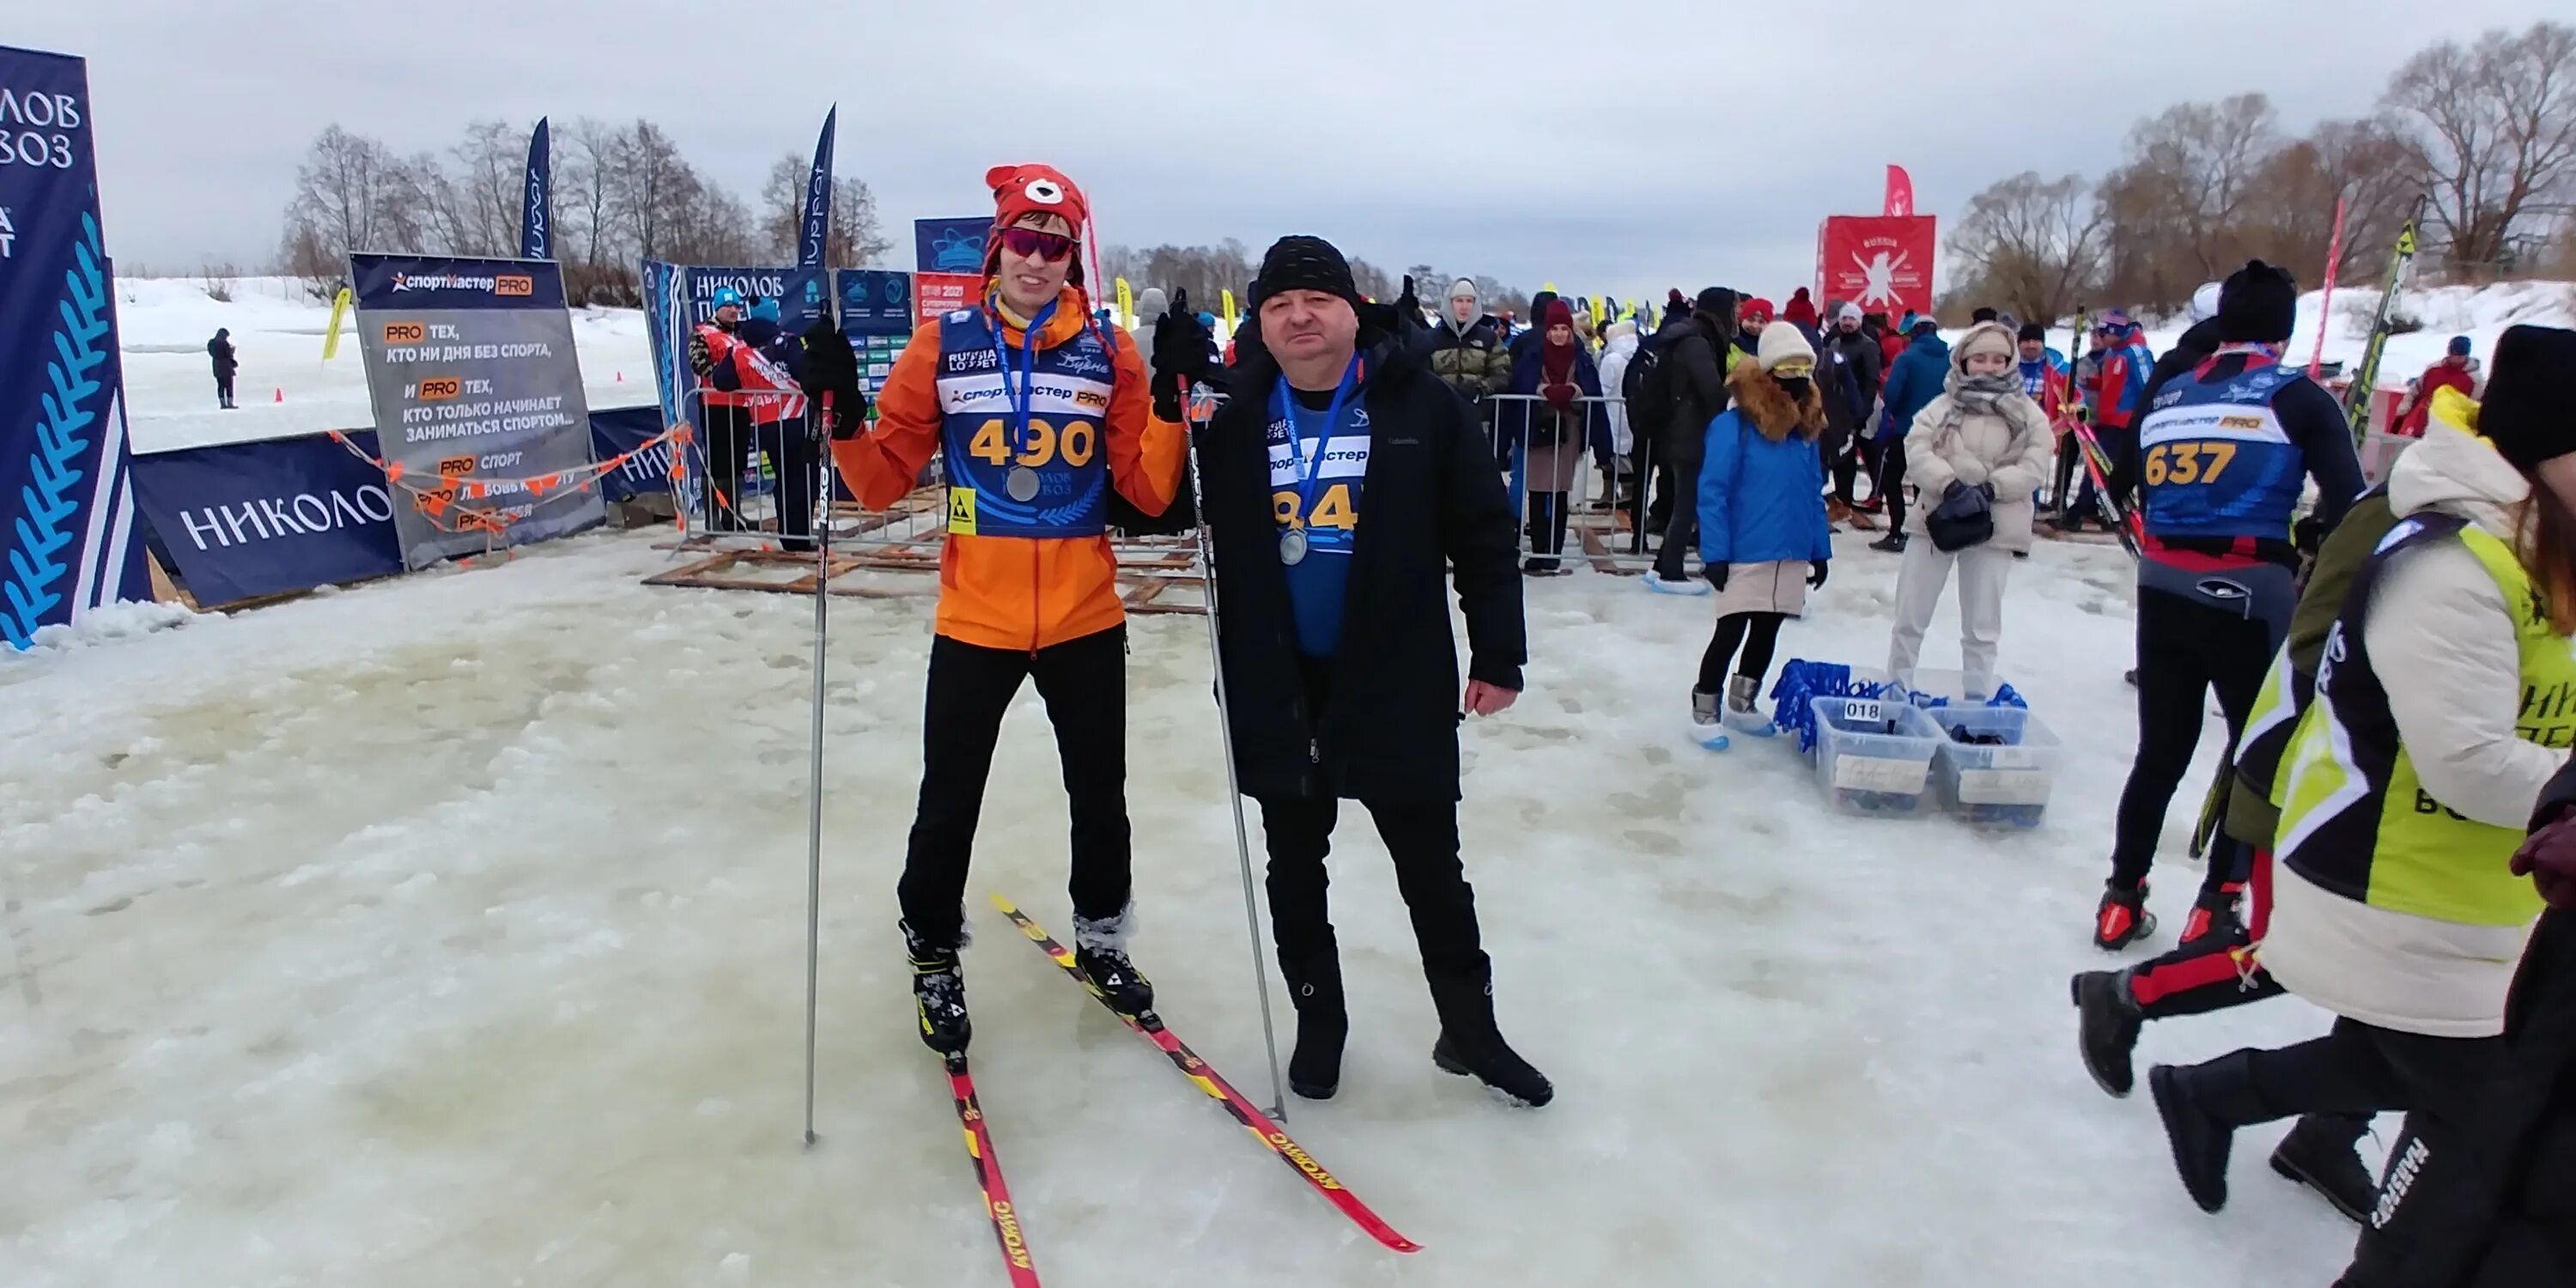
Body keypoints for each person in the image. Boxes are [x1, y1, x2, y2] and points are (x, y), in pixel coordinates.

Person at [2140, 328, 2576, 1285]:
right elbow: (2459, 758)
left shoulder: (2543, 545)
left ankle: (2217, 1091)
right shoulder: (2447, 557)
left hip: (2487, 886)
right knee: (2474, 1105)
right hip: (2388, 858)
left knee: (2417, 1062)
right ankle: (2145, 1010)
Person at [1184, 234, 1551, 1107]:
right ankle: (1321, 1015)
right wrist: (1157, 396)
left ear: (1354, 311)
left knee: (1431, 866)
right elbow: (1147, 499)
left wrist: (1499, 650)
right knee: (1293, 864)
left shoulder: (1418, 403)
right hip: (1279, 681)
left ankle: (1470, 1027)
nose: (1299, 318)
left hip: (1395, 677)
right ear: (1260, 326)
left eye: (1316, 300)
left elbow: (1485, 535)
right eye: (1277, 306)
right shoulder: (1233, 415)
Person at [826, 163, 1185, 1054]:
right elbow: (878, 487)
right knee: (949, 799)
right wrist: (838, 417)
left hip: (1085, 619)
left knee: (1100, 798)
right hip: (976, 619)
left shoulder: (1109, 350)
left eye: (1055, 246)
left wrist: (1175, 409)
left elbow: (1144, 490)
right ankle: (933, 950)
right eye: (1024, 241)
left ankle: (1102, 939)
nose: (1038, 259)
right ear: (999, 248)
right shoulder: (942, 345)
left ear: (1073, 259)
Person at [2089, 262, 2365, 951]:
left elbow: (2128, 487)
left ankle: (2121, 897)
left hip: (2164, 582)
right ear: (2284, 330)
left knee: (2161, 753)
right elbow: (2354, 506)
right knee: (2255, 752)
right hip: (2251, 588)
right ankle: (2217, 904)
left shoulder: (2171, 392)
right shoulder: (2299, 397)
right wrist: (2310, 537)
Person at [1884, 323, 2054, 697]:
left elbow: (2035, 463)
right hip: (1937, 519)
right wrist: (1950, 484)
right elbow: (1917, 448)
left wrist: (1993, 488)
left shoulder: (2028, 414)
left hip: (1996, 526)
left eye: (1998, 359)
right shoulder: (1942, 406)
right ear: (1964, 360)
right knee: (1910, 616)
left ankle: (1976, 701)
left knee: (1982, 626)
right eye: (1980, 358)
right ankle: (1896, 690)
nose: (1989, 366)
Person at [1689, 323, 1833, 745]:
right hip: (1743, 549)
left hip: (1788, 548)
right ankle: (1704, 710)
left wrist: (1818, 549)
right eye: (1787, 368)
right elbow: (1712, 491)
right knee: (1730, 631)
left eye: (1804, 368)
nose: (1797, 376)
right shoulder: (1734, 426)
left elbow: (1812, 493)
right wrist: (1714, 553)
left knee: (1768, 629)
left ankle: (1742, 701)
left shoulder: (1804, 431)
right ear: (1769, 372)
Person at [1646, 289, 1739, 593]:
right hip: (1690, 433)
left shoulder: (1691, 338)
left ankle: (1662, 564)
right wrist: (1741, 397)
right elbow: (1711, 389)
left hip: (1683, 430)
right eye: (1735, 309)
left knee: (1684, 501)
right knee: (1688, 502)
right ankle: (1671, 570)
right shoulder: (1696, 343)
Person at [1508, 298, 1607, 574]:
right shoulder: (1534, 356)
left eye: (1565, 328)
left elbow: (1591, 389)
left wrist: (1573, 391)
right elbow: (1521, 385)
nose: (1560, 334)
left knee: (1560, 491)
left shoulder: (1582, 358)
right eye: (1555, 329)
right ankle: (1539, 550)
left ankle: (1554, 551)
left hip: (1568, 431)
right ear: (1547, 330)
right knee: (1538, 491)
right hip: (1539, 428)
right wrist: (1543, 391)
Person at [2057, 311, 2154, 532]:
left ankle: (2086, 508)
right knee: (2098, 465)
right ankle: (2091, 507)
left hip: (2125, 422)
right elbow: (2112, 383)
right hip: (2106, 419)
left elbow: (2148, 384)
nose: (2100, 338)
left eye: (2104, 334)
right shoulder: (2112, 353)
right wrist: (2092, 383)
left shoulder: (2135, 353)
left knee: (2105, 468)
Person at [1870, 316, 1951, 553]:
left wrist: (1896, 413)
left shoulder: (1907, 358)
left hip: (1906, 429)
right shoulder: (1949, 360)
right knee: (1925, 481)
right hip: (1939, 431)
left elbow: (1893, 392)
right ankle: (1925, 530)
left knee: (1892, 480)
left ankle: (1897, 532)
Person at [688, 288, 758, 532]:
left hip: (740, 405)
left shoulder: (743, 335)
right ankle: (713, 518)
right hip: (715, 405)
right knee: (717, 461)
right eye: (729, 306)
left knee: (737, 461)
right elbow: (698, 363)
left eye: (737, 307)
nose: (734, 311)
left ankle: (733, 515)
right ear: (717, 308)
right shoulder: (702, 333)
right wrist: (725, 377)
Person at [1421, 276, 1515, 453]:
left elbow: (1502, 373)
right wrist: (1439, 391)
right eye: (1459, 301)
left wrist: (1480, 389)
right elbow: (1420, 373)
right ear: (1450, 303)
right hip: (1437, 418)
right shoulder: (1430, 338)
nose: (1464, 306)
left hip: (1476, 420)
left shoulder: (1488, 338)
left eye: (1469, 301)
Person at [1825, 303, 1887, 525]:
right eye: (1844, 319)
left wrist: (1863, 410)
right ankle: (1842, 501)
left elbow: (1872, 380)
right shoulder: (1835, 343)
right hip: (1837, 409)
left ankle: (1867, 497)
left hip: (1860, 409)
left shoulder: (1868, 346)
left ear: (1859, 322)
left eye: (1852, 319)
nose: (1848, 323)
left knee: (1865, 454)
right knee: (1842, 457)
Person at [2393, 335, 2482, 437]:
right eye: (2455, 355)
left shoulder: (2475, 379)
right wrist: (2404, 409)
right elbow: (2415, 391)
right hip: (2424, 424)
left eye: (2461, 356)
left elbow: (2474, 407)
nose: (2458, 359)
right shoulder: (2434, 370)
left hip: (2451, 429)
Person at [1595, 317, 1641, 512]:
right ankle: (1626, 492)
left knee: (1614, 453)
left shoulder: (1612, 359)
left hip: (1612, 410)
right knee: (1626, 453)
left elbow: (1604, 387)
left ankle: (1619, 492)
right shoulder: (1638, 356)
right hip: (1631, 410)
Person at [1733, 297, 1773, 364]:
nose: (1755, 325)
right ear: (1742, 319)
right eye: (1751, 320)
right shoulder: (1732, 340)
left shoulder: (1771, 344)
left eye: (1761, 322)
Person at [207, 328, 237, 410]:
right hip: (226, 368)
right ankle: (230, 403)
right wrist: (232, 351)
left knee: (221, 386)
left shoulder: (211, 343)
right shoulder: (224, 343)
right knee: (229, 386)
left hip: (217, 369)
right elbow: (227, 354)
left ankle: (222, 403)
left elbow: (213, 353)